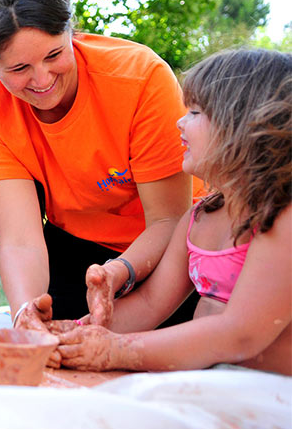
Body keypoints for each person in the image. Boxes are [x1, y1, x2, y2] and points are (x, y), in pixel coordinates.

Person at [0, 0, 203, 328]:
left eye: (54, 55)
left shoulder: (140, 77)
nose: (42, 79)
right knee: (51, 341)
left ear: (71, 32)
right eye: (19, 69)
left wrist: (119, 271)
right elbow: (21, 242)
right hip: (76, 246)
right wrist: (26, 312)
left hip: (173, 244)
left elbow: (168, 220)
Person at [51, 49, 291, 375]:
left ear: (243, 127)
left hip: (269, 398)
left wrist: (115, 351)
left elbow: (240, 334)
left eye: (194, 112)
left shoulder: (280, 218)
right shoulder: (198, 218)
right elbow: (150, 303)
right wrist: (74, 333)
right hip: (209, 382)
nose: (180, 121)